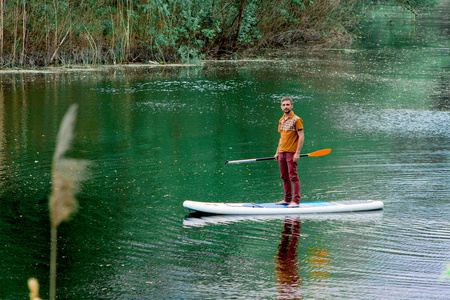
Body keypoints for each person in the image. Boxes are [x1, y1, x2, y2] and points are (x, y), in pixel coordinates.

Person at [274, 97, 304, 207]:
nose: (286, 106)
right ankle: (287, 199)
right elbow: (281, 137)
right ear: (281, 107)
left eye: (288, 104)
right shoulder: (281, 120)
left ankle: (295, 201)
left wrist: (297, 153)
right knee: (284, 176)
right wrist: (277, 152)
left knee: (293, 176)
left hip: (291, 152)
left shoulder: (297, 120)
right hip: (282, 152)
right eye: (283, 105)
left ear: (292, 106)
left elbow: (301, 137)